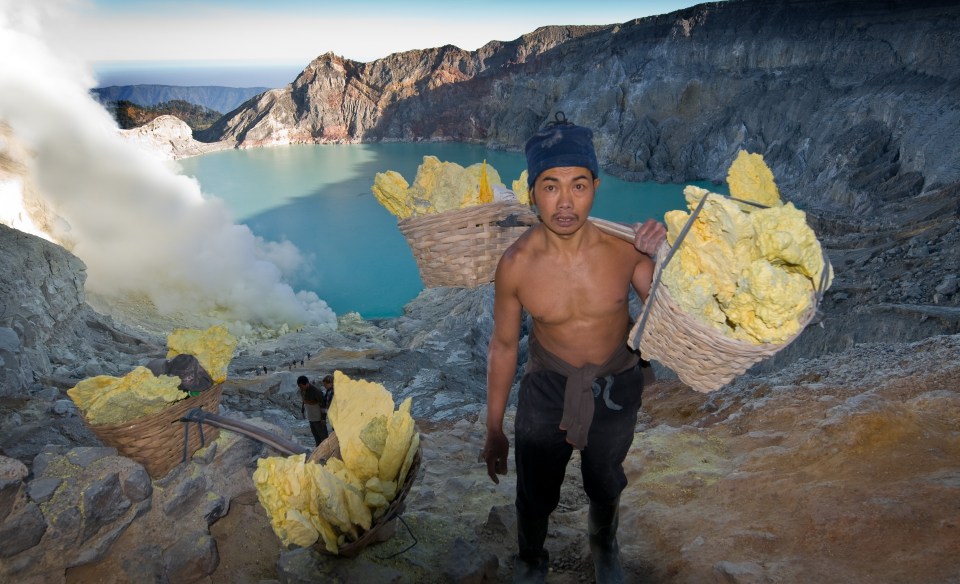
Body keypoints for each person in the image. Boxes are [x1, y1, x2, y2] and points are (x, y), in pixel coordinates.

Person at [481, 113, 666, 583]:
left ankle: (604, 542)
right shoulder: (517, 265)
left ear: (596, 187)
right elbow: (504, 346)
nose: (565, 202)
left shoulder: (624, 249)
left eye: (578, 186)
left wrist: (661, 255)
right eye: (551, 186)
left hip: (615, 380)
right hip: (548, 383)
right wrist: (494, 426)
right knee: (535, 485)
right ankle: (530, 557)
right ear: (532, 192)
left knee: (605, 478)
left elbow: (666, 311)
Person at [297, 375, 328, 446]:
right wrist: (302, 411)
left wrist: (323, 419)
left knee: (324, 438)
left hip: (318, 419)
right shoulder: (303, 391)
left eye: (301, 386)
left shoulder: (316, 392)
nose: (300, 388)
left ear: (306, 383)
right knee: (316, 438)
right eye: (299, 387)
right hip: (311, 418)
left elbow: (323, 405)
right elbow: (304, 401)